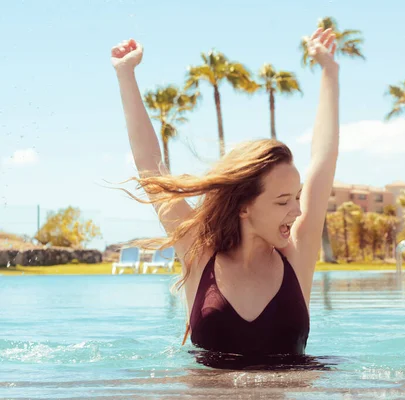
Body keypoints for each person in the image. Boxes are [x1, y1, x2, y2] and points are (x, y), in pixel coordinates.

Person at [110, 27, 340, 357]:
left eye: (297, 197)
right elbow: (151, 166)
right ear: (244, 207)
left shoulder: (297, 254)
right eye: (282, 200)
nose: (298, 210)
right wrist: (125, 74)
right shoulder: (197, 251)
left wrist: (329, 71)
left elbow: (324, 158)